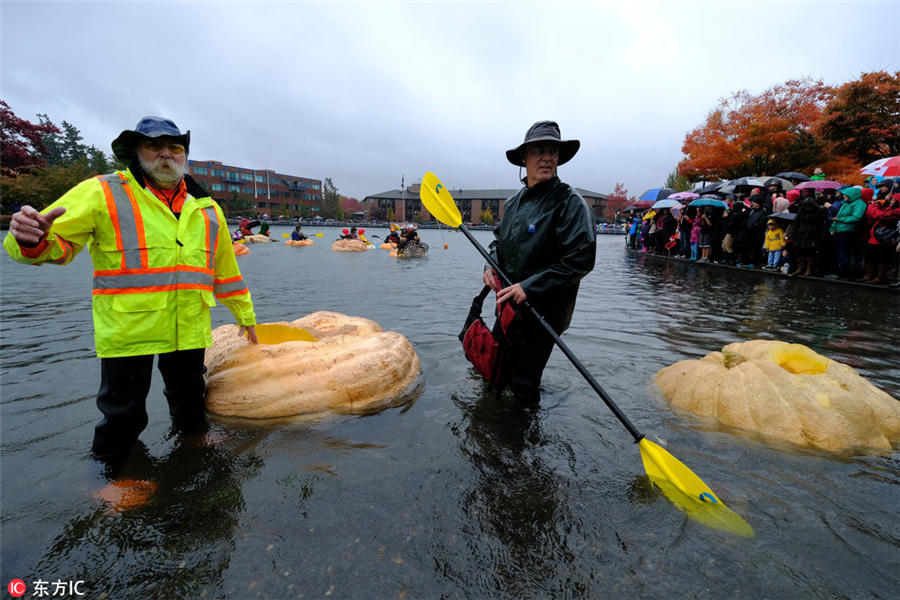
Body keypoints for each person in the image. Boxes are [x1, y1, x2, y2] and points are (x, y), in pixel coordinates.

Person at [3, 116, 258, 468]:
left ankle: (193, 440)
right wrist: (29, 239)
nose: (166, 154)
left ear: (184, 156)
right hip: (129, 326)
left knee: (189, 396)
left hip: (189, 323)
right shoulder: (102, 192)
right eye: (154, 145)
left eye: (175, 147)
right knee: (123, 408)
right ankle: (110, 471)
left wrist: (246, 316)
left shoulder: (208, 208)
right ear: (136, 153)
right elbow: (56, 246)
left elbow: (226, 273)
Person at [483, 121, 595, 405]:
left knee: (523, 386)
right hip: (507, 306)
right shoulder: (513, 203)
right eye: (538, 151)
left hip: (542, 312)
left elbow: (580, 259)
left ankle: (525, 443)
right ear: (524, 157)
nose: (546, 157)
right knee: (493, 373)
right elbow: (498, 244)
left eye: (552, 151)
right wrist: (489, 266)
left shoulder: (570, 203)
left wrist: (530, 287)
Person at [858, 192, 900, 284]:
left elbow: (879, 216)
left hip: (883, 239)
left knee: (882, 259)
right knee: (870, 257)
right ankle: (869, 275)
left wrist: (875, 205)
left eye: (893, 200)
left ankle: (879, 277)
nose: (890, 201)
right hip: (873, 238)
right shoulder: (888, 208)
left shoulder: (897, 211)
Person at [829, 187, 867, 279]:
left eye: (846, 194)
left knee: (845, 253)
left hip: (848, 231)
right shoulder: (846, 203)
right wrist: (832, 228)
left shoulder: (859, 204)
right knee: (840, 253)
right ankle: (840, 271)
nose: (843, 195)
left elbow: (856, 217)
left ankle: (843, 273)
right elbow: (837, 217)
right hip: (839, 230)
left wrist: (840, 220)